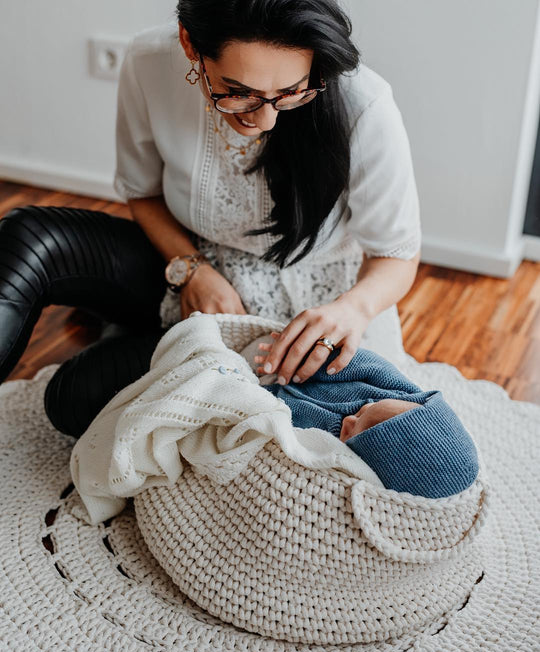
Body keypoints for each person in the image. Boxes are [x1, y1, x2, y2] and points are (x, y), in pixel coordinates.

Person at [0, 0, 421, 439]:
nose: (264, 119)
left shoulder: (364, 106)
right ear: (189, 43)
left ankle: (128, 331)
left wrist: (353, 309)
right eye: (237, 91)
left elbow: (396, 255)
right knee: (28, 234)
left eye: (290, 92)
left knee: (73, 397)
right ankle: (134, 329)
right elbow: (143, 195)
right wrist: (192, 270)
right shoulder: (149, 62)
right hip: (186, 263)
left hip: (294, 315)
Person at [242, 333, 479, 498]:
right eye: (371, 406)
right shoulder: (395, 392)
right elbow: (367, 364)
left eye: (358, 422)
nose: (353, 415)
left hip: (261, 391)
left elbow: (277, 425)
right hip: (300, 366)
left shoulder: (327, 449)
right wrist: (310, 359)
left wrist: (256, 392)